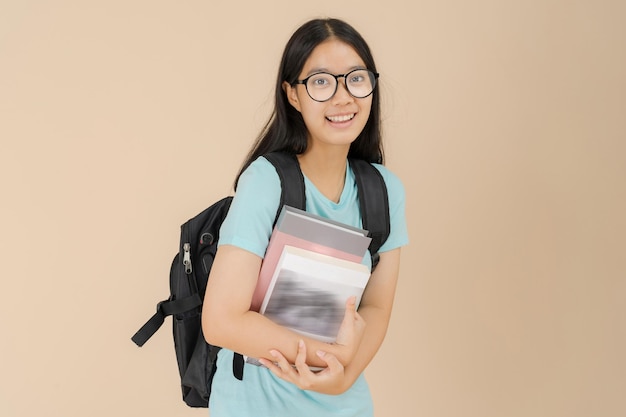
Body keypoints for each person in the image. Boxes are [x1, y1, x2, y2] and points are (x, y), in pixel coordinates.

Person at [202, 17, 409, 417]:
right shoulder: (266, 181)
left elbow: (377, 308)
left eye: (356, 79)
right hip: (254, 405)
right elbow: (222, 321)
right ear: (292, 95)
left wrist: (343, 378)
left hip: (344, 406)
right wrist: (332, 356)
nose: (343, 97)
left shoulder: (385, 190)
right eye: (320, 82)